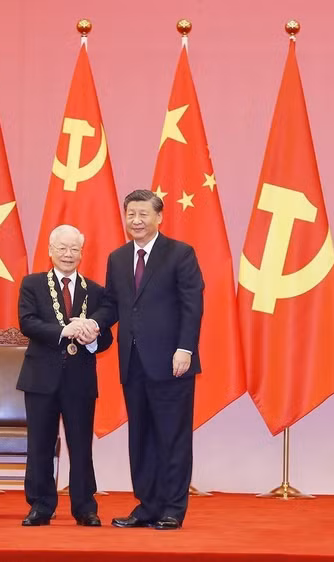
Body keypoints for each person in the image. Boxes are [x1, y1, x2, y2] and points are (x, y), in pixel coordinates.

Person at [85, 189, 204, 530]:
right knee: (141, 437)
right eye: (131, 214)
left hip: (172, 362)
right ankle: (147, 505)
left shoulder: (180, 254)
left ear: (159, 217)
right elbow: (112, 304)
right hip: (133, 362)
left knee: (172, 436)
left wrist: (186, 349)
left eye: (143, 214)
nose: (136, 221)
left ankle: (172, 509)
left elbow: (192, 305)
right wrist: (94, 323)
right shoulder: (118, 258)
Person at [16, 224, 112, 527]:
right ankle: (40, 506)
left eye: (74, 249)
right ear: (50, 250)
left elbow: (107, 337)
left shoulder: (95, 291)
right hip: (40, 378)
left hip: (80, 381)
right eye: (62, 248)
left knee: (81, 445)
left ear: (82, 253)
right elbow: (27, 323)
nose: (68, 254)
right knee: (40, 444)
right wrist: (63, 331)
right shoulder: (32, 284)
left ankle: (85, 507)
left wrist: (92, 338)